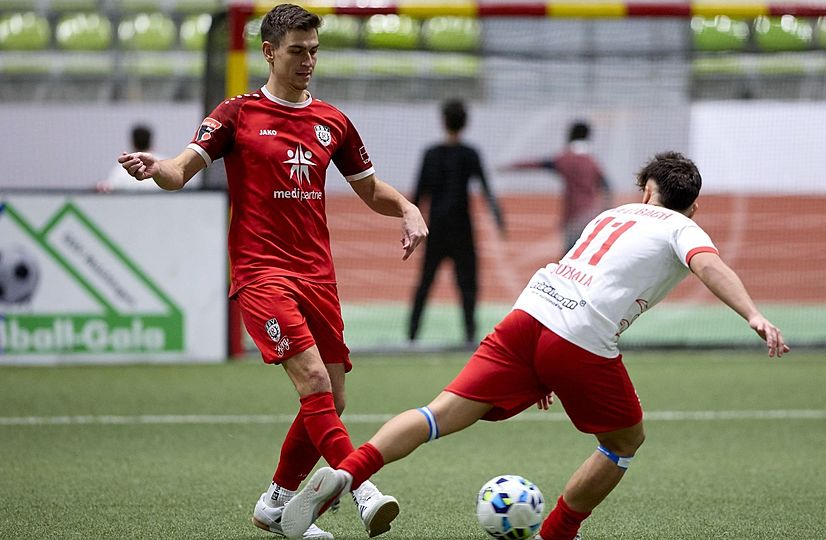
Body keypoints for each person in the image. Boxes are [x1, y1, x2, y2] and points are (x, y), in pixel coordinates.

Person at [279, 151, 790, 540]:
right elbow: (708, 265)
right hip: (580, 337)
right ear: (692, 205)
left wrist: (543, 369)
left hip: (530, 313)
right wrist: (753, 313)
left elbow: (579, 271)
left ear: (647, 191)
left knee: (439, 413)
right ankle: (557, 534)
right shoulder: (683, 226)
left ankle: (349, 471)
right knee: (624, 442)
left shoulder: (612, 215)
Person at [116, 4, 428, 539]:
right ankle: (362, 488)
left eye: (314, 51)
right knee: (313, 381)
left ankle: (275, 504)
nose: (308, 61)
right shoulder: (235, 114)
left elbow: (369, 189)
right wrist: (156, 167)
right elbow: (180, 170)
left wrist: (407, 208)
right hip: (262, 272)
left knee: (332, 396)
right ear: (268, 51)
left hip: (318, 275)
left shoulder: (333, 121)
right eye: (297, 51)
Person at [408, 99, 506, 345]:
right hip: (462, 229)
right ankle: (470, 336)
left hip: (436, 229)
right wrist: (498, 217)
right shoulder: (470, 154)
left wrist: (409, 223)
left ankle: (411, 336)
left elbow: (419, 194)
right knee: (468, 284)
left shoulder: (431, 154)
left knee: (425, 282)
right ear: (465, 123)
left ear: (443, 121)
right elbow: (486, 188)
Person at [500, 120, 612, 254]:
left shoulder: (564, 159)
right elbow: (607, 187)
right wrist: (605, 211)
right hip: (590, 214)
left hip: (572, 214)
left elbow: (537, 164)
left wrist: (509, 167)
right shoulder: (592, 162)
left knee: (570, 254)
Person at [98, 124, 166, 192]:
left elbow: (110, 188)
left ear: (133, 142)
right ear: (150, 140)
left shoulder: (122, 167)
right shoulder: (163, 163)